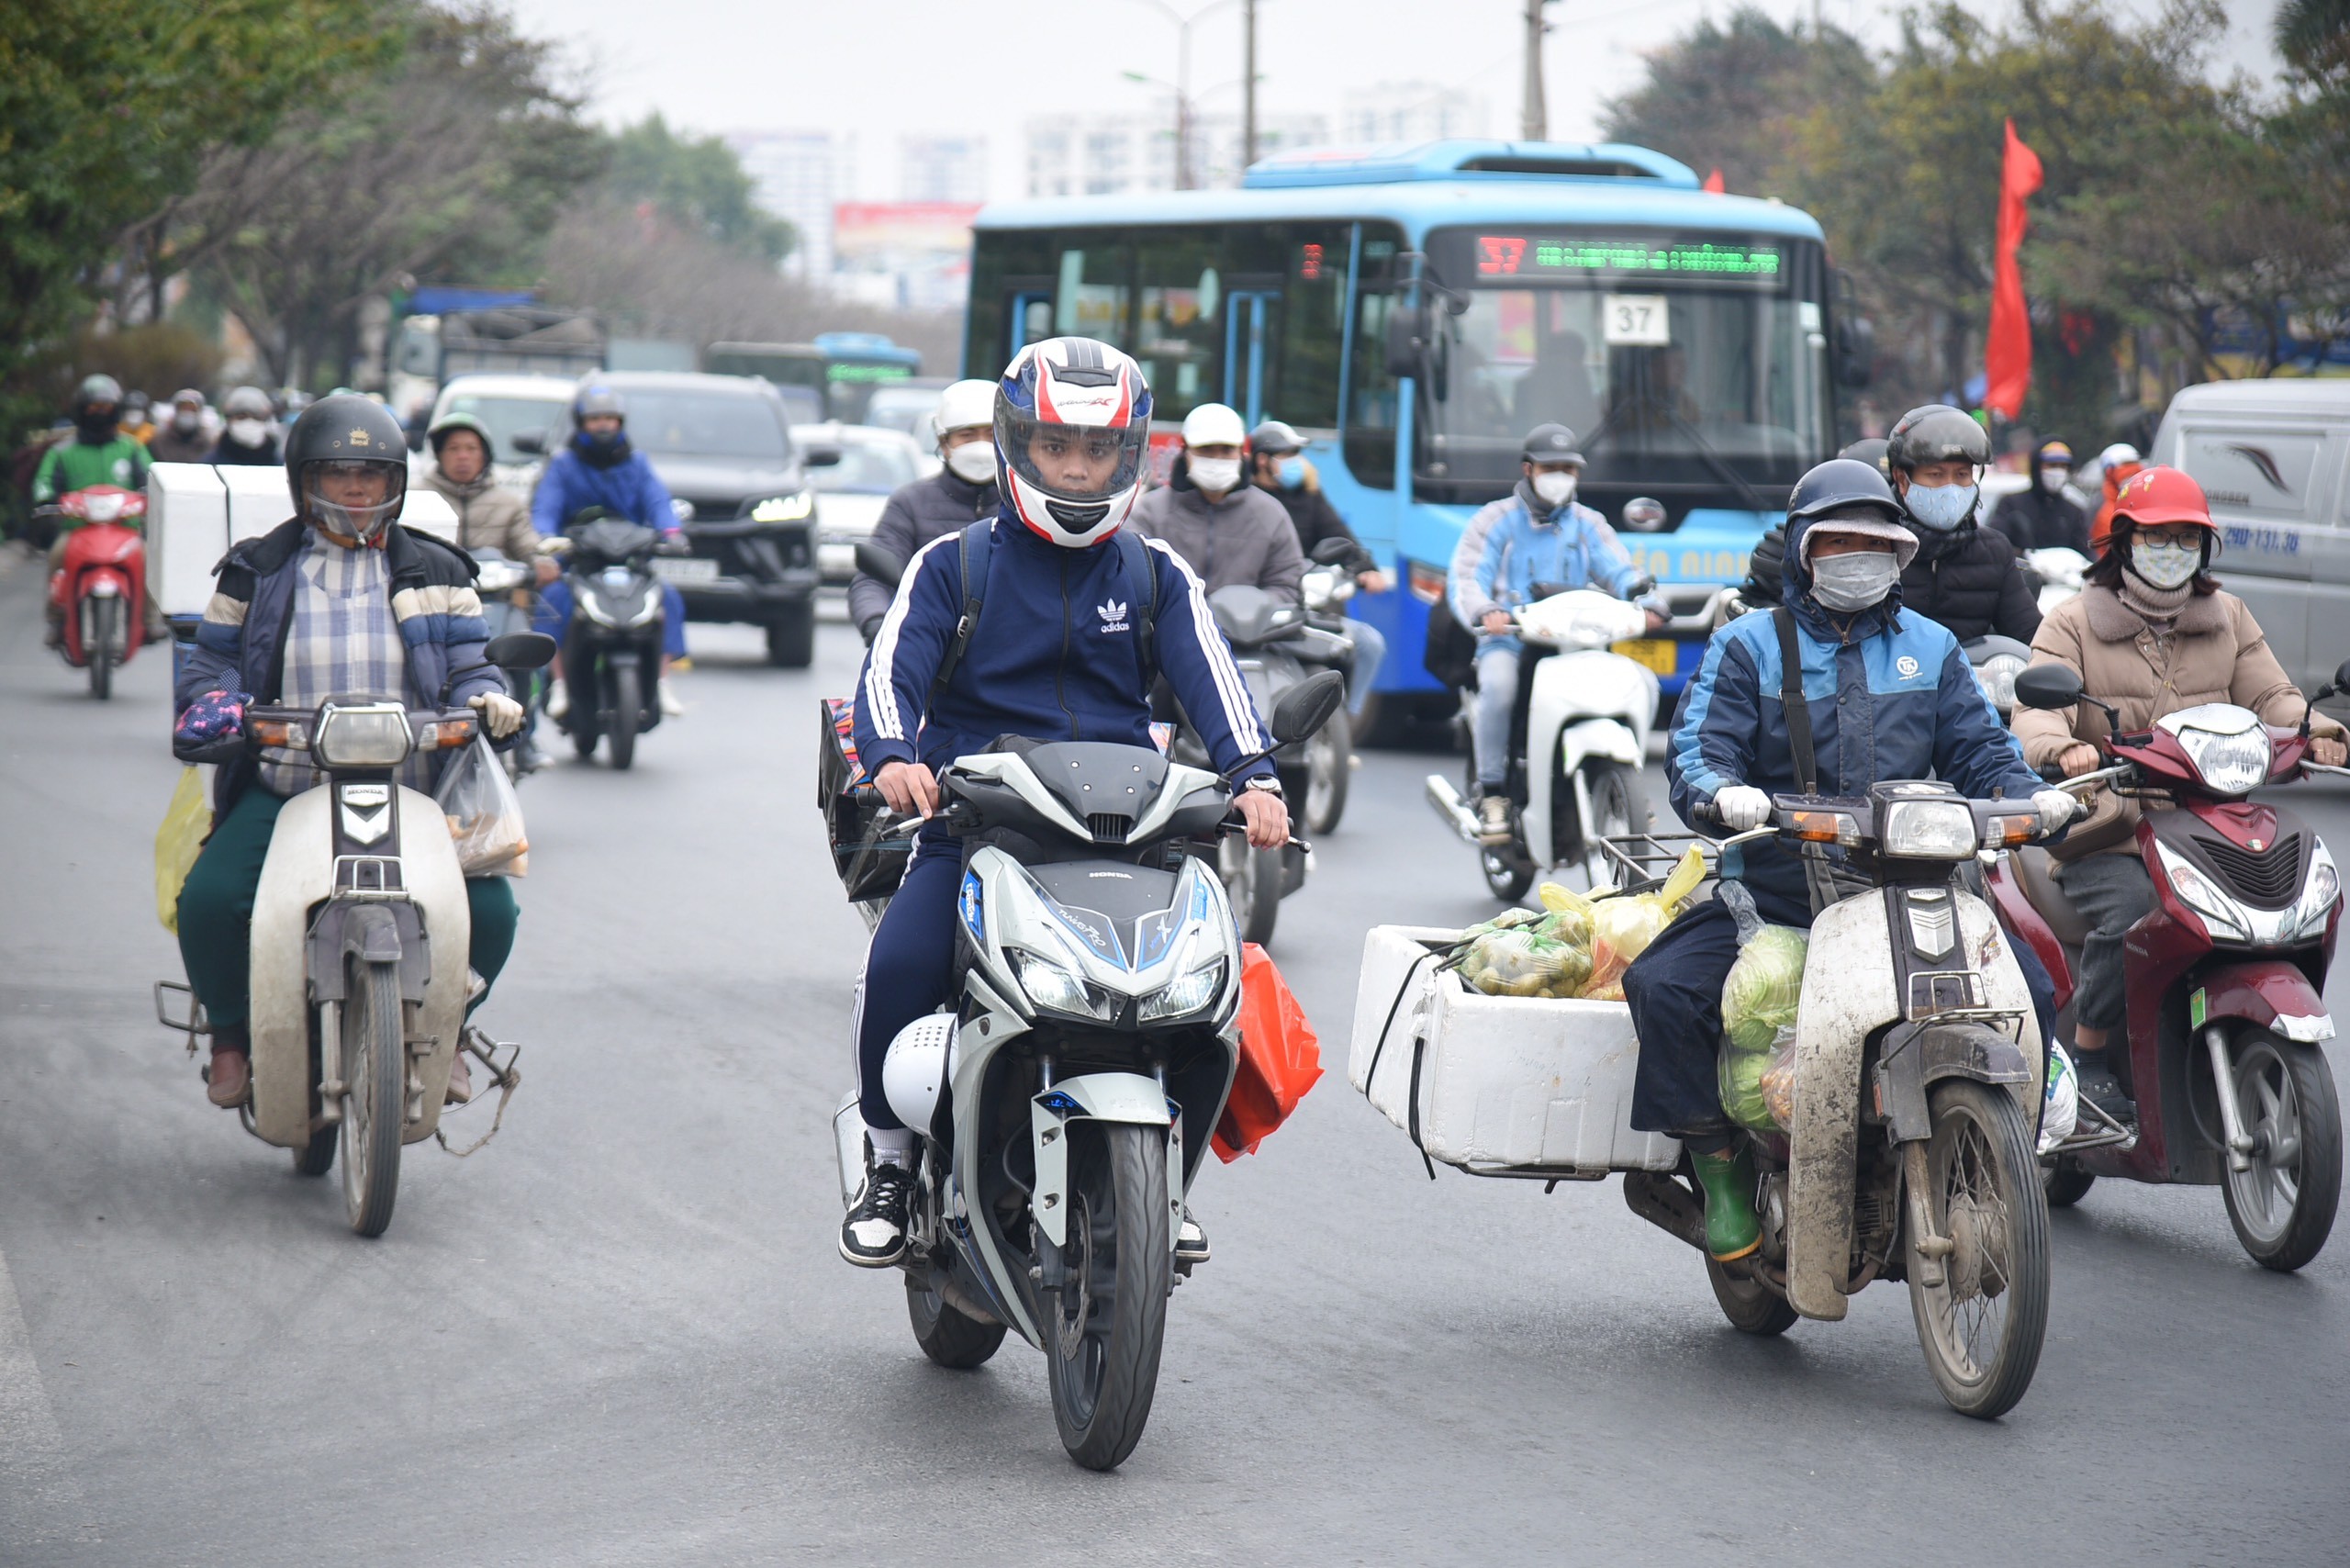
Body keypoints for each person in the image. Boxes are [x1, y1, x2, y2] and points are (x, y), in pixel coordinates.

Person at [841, 338, 1286, 1269]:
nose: (1076, 469)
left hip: (1130, 831)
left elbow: (1217, 682)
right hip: (976, 826)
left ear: (1130, 459)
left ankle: (1165, 1173)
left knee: (1211, 995)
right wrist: (889, 757)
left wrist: (1255, 775)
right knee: (902, 959)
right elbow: (889, 676)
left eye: (1097, 451)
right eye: (1055, 448)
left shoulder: (1156, 573)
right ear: (1017, 447)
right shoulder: (949, 565)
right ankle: (888, 1160)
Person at [1623, 457, 2076, 1260]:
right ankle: (1719, 1170)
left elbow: (1984, 752)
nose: (1856, 557)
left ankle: (2001, 1157)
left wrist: (2031, 797)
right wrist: (1725, 795)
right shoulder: (1747, 645)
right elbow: (1695, 753)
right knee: (1664, 990)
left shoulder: (1933, 649)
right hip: (1774, 890)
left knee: (2034, 990)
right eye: (1837, 542)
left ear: (1900, 554)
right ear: (1803, 549)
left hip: (1915, 886)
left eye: (1873, 543)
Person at [168, 396, 527, 1111]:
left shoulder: (440, 570)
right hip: (284, 781)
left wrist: (490, 693)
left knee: (491, 910)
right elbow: (212, 666)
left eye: (370, 473)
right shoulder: (256, 569)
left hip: (417, 787)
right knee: (207, 901)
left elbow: (471, 661)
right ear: (306, 480)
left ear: (395, 481)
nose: (356, 488)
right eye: (337, 474)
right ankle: (234, 1037)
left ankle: (451, 1030)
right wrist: (220, 705)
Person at [2014, 465, 2348, 1120]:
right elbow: (2036, 714)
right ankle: (2087, 1053)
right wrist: (2060, 748)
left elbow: (2272, 694)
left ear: (2205, 550)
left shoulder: (2227, 616)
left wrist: (2319, 730)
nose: (2172, 552)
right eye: (2156, 537)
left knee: (2286, 888)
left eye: (2187, 539)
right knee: (2138, 911)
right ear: (2124, 542)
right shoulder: (2072, 622)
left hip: (2210, 821)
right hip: (2107, 830)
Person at [1448, 422, 1663, 844]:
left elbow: (1621, 571)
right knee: (1499, 686)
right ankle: (1492, 792)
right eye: (1552, 467)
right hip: (1510, 636)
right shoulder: (1495, 521)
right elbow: (1467, 578)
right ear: (1529, 470)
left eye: (1569, 467)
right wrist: (1486, 610)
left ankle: (1628, 780)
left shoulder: (1589, 523)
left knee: (1644, 684)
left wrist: (1648, 601)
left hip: (1577, 641)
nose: (1560, 475)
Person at [531, 383, 688, 718]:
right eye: (595, 418)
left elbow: (658, 501)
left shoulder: (637, 464)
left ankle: (661, 681)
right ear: (581, 422)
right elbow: (546, 508)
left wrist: (672, 532)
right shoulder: (564, 465)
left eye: (610, 418)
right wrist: (545, 537)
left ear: (620, 422)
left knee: (668, 597)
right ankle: (559, 682)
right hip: (579, 561)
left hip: (627, 560)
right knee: (553, 599)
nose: (603, 425)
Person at [1248, 419, 1390, 717]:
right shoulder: (1246, 502)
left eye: (1296, 455)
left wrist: (1366, 568)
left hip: (1305, 607)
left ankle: (1346, 719)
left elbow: (1340, 537)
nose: (1296, 462)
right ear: (1262, 460)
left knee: (1367, 643)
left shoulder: (1309, 497)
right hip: (1257, 611)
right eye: (1287, 455)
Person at [847, 378, 1000, 644]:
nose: (980, 445)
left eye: (990, 435)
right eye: (967, 435)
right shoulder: (911, 503)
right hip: (929, 653)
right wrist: (879, 625)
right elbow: (871, 581)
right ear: (944, 442)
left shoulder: (1027, 505)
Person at [1882, 403, 2041, 644]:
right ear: (1902, 480)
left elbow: (2033, 638)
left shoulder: (1993, 550)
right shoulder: (1878, 545)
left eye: (1962, 475)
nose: (1951, 488)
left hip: (1972, 680)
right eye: (1936, 475)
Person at [32, 375, 162, 646]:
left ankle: (148, 622)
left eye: (106, 407)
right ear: (81, 410)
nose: (100, 413)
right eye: (94, 408)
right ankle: (57, 620)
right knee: (57, 556)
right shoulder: (63, 450)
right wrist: (47, 499)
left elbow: (150, 477)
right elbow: (43, 483)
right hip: (76, 530)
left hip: (125, 531)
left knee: (147, 559)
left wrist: (150, 496)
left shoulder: (131, 447)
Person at [1131, 402, 1305, 600]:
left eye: (1226, 450)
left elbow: (1288, 586)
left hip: (1250, 631)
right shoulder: (1150, 513)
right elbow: (1133, 580)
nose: (1217, 458)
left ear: (1241, 453)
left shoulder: (1270, 515)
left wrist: (1250, 612)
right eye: (1206, 450)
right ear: (1185, 452)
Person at [1987, 438, 2091, 554]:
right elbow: (1994, 546)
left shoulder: (2074, 513)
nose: (2057, 471)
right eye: (2051, 465)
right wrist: (2023, 555)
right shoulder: (2011, 504)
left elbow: (2086, 554)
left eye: (2063, 466)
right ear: (2037, 467)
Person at [2088, 442, 2144, 556]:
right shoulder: (2099, 505)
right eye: (2125, 467)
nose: (2130, 473)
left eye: (2133, 467)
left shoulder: (2146, 500)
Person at [207, 386, 282, 465]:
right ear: (229, 419)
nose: (249, 422)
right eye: (241, 417)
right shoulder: (211, 464)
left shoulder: (280, 465)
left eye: (256, 417)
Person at [150, 388, 216, 464]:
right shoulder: (158, 441)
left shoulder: (207, 444)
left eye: (192, 410)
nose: (187, 413)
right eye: (184, 409)